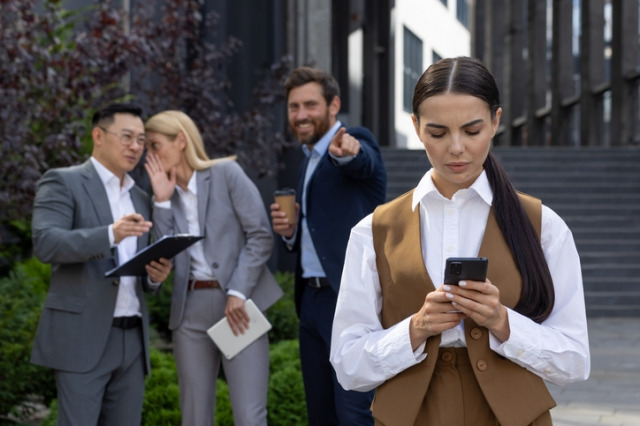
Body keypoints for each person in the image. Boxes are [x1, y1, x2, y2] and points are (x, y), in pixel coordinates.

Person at [329, 56, 591, 426]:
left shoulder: (543, 225)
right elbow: (348, 364)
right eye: (437, 133)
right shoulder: (375, 230)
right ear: (416, 127)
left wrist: (502, 322)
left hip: (514, 414)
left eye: (472, 131)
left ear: (496, 121)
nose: (456, 148)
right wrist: (417, 327)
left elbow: (575, 360)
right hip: (412, 413)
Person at [30, 103, 172, 426]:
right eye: (126, 137)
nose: (135, 147)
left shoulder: (140, 198)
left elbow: (140, 266)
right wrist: (111, 234)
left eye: (140, 140)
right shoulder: (63, 182)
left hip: (132, 339)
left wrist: (155, 277)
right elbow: (46, 243)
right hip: (82, 337)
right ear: (98, 135)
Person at [144, 110, 283, 426]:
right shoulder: (160, 196)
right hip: (190, 312)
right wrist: (162, 201)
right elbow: (162, 255)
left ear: (181, 140)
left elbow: (261, 235)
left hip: (237, 305)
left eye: (154, 145)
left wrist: (237, 291)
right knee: (194, 417)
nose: (148, 157)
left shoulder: (226, 174)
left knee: (249, 415)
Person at [270, 66, 387, 424]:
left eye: (310, 105)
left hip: (351, 301)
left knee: (354, 414)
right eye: (294, 107)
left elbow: (361, 161)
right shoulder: (308, 160)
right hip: (313, 302)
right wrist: (290, 232)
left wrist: (346, 152)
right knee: (320, 414)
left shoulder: (353, 141)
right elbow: (318, 229)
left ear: (333, 105)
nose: (301, 115)